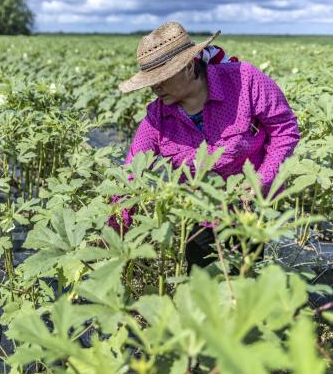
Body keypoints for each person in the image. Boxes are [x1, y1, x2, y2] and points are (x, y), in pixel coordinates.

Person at [113, 21, 300, 272]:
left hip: (249, 203)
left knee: (244, 276)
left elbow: (285, 129)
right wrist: (114, 231)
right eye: (151, 80)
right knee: (201, 275)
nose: (154, 87)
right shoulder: (157, 118)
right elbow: (131, 173)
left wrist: (261, 180)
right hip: (202, 210)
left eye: (162, 78)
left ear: (189, 67)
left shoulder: (245, 80)